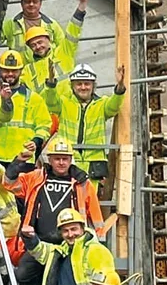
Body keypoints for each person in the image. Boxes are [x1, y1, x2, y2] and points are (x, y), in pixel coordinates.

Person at [9, 137, 107, 285]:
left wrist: (100, 243)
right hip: (39, 242)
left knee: (67, 280)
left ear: (71, 159)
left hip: (70, 243)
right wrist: (18, 162)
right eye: (57, 158)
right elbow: (9, 183)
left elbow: (96, 215)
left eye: (65, 159)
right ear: (50, 159)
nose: (61, 162)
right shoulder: (35, 177)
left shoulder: (82, 182)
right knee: (23, 274)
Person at [45, 64, 127, 196]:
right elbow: (51, 102)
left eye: (87, 83)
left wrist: (120, 87)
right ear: (72, 86)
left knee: (89, 201)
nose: (83, 87)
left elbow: (114, 106)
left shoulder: (102, 104)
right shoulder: (64, 102)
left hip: (93, 163)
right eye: (79, 84)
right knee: (66, 199)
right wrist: (51, 84)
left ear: (93, 86)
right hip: (69, 159)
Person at [0, 50, 52, 167]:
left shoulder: (34, 99)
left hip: (24, 158)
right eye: (6, 70)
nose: (10, 74)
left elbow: (44, 125)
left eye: (14, 71)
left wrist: (36, 141)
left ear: (21, 71)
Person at [5, 0, 87, 60]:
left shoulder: (51, 24)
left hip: (47, 68)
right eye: (27, 1)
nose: (31, 4)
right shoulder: (11, 24)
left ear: (40, 3)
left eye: (35, 1)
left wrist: (82, 4)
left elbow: (64, 47)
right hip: (20, 69)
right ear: (21, 3)